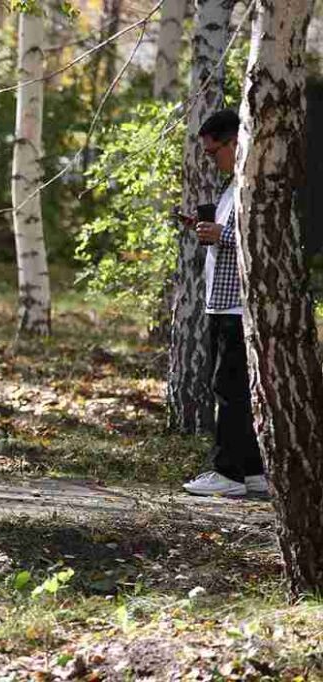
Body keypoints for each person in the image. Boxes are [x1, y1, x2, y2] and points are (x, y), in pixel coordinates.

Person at [182, 109, 266, 497]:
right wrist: (208, 230)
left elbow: (262, 239)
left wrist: (223, 234)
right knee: (236, 390)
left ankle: (227, 474)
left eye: (214, 152)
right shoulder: (232, 187)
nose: (212, 159)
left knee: (229, 391)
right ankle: (252, 470)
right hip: (222, 302)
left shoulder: (254, 184)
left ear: (235, 142)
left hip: (239, 307)